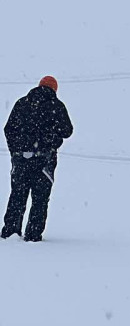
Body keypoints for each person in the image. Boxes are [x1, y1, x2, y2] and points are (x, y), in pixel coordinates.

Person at [4, 76, 73, 242]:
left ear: (39, 85)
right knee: (40, 200)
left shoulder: (22, 103)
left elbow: (9, 129)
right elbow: (67, 131)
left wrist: (16, 151)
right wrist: (52, 137)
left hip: (21, 160)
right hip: (44, 161)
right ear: (54, 89)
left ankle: (10, 232)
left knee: (17, 197)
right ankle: (33, 236)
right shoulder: (57, 106)